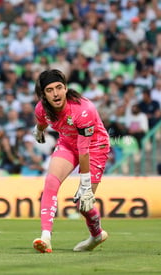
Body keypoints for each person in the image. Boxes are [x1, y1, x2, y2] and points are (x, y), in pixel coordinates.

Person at [31, 69, 110, 253]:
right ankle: (46, 238)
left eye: (59, 88)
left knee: (83, 203)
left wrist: (85, 184)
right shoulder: (41, 108)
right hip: (67, 143)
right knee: (50, 182)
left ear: (66, 88)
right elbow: (42, 120)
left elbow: (84, 151)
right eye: (50, 90)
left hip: (94, 147)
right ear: (43, 95)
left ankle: (96, 235)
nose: (56, 93)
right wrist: (39, 130)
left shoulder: (83, 110)